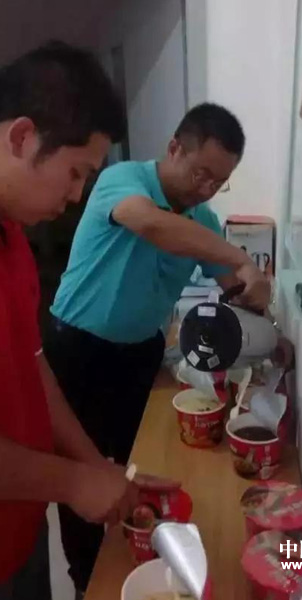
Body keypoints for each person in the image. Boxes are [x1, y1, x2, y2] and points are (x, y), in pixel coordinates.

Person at [45, 102, 272, 590]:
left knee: (136, 466)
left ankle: (137, 558)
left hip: (139, 353)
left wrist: (263, 307)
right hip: (77, 350)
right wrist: (239, 256)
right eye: (201, 174)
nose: (206, 189)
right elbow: (150, 225)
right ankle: (87, 580)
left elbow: (235, 287)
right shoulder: (123, 181)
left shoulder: (202, 219)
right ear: (174, 148)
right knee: (83, 474)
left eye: (219, 182)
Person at [0, 41, 178, 600]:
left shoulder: (13, 238)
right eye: (76, 173)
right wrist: (73, 481)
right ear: (22, 138)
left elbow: (34, 367)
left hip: (20, 525)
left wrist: (97, 467)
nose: (77, 195)